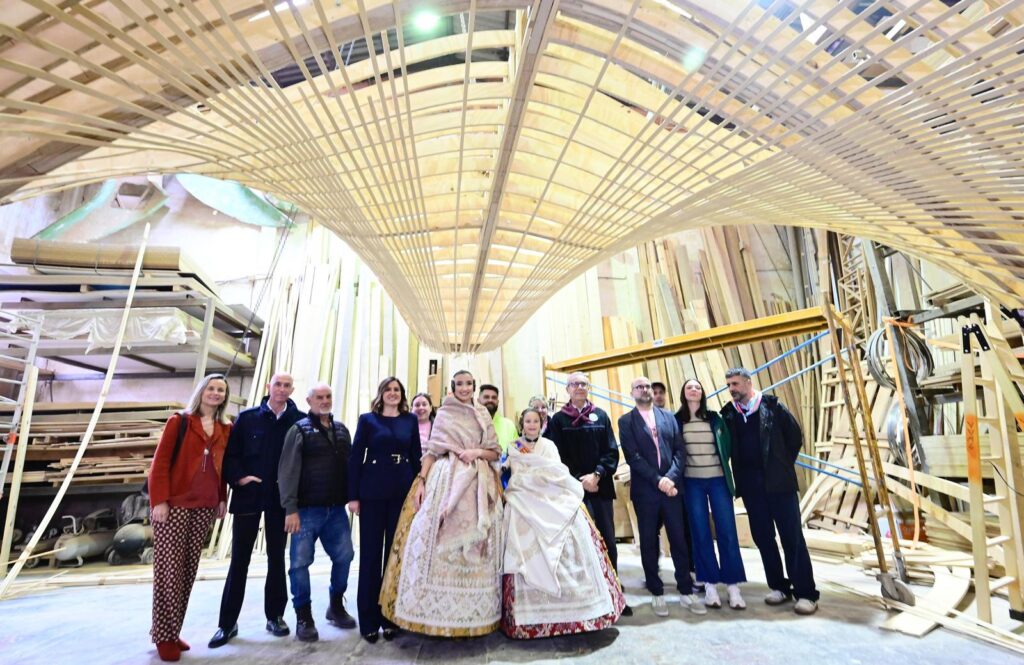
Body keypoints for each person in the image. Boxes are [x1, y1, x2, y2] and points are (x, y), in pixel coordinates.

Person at [380, 370, 503, 636]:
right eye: (459, 384)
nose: (464, 388)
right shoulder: (445, 413)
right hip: (444, 478)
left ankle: (473, 616)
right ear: (452, 387)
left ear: (474, 386)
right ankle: (431, 614)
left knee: (480, 545)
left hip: (478, 477)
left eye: (468, 384)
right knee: (430, 537)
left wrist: (475, 452)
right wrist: (422, 481)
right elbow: (433, 451)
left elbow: (495, 451)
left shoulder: (483, 412)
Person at [501, 408, 625, 638]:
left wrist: (540, 478)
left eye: (535, 421)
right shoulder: (513, 446)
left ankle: (580, 610)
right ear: (522, 424)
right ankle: (529, 615)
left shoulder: (549, 446)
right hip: (523, 498)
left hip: (549, 496)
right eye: (527, 421)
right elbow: (508, 466)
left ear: (541, 424)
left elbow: (557, 472)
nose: (531, 425)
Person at [208, 373, 304, 649]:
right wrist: (240, 478)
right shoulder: (247, 418)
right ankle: (227, 623)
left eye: (287, 385)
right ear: (268, 387)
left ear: (292, 389)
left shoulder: (298, 420)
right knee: (239, 561)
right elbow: (231, 456)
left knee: (277, 558)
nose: (282, 389)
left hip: (280, 500)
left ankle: (275, 616)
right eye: (278, 384)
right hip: (249, 497)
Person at [720, 368, 819, 615]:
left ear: (748, 382)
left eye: (735, 384)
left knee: (792, 538)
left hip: (780, 486)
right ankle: (779, 587)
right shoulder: (730, 414)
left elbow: (794, 437)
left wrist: (780, 465)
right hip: (752, 491)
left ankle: (806, 593)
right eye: (728, 385)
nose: (731, 389)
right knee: (764, 539)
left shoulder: (772, 407)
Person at [148, 374, 231, 662]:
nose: (216, 393)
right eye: (211, 388)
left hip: (205, 505)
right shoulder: (180, 422)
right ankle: (163, 636)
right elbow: (159, 463)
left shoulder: (225, 428)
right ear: (201, 391)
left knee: (187, 572)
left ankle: (172, 631)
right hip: (174, 505)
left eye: (221, 390)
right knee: (169, 573)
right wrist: (159, 500)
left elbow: (222, 467)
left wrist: (222, 497)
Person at [545, 372, 632, 616]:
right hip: (573, 492)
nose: (579, 387)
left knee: (607, 540)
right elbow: (556, 456)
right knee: (581, 543)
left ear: (588, 388)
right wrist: (578, 480)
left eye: (583, 384)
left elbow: (611, 451)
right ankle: (588, 596)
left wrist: (597, 474)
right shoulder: (559, 420)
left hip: (600, 488)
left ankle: (614, 592)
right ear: (567, 389)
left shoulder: (601, 416)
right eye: (574, 384)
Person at [618, 377, 704, 617]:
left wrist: (671, 478)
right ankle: (656, 592)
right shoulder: (626, 421)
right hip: (646, 492)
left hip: (672, 490)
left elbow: (680, 451)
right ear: (632, 392)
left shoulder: (669, 417)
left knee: (679, 539)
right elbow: (633, 457)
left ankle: (685, 590)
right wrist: (659, 480)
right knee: (648, 541)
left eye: (647, 387)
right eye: (639, 387)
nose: (644, 390)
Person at [278, 383, 356, 642]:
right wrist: (290, 508)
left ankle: (336, 605)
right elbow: (287, 471)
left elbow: (350, 467)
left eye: (328, 396)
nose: (324, 401)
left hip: (336, 510)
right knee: (300, 564)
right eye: (319, 397)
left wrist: (354, 497)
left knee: (345, 556)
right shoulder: (299, 430)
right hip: (305, 511)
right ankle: (304, 617)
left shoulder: (342, 430)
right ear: (309, 401)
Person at [348, 377, 422, 643]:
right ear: (381, 394)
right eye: (388, 389)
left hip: (402, 492)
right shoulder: (368, 420)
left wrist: (420, 488)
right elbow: (355, 457)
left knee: (395, 555)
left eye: (397, 390)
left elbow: (416, 457)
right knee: (370, 556)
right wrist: (353, 496)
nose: (393, 393)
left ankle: (390, 617)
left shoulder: (410, 420)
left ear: (402, 394)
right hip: (372, 492)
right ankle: (368, 620)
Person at [675, 378, 746, 610]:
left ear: (702, 393)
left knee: (727, 531)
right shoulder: (677, 421)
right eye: (689, 387)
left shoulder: (715, 418)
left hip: (718, 481)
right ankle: (710, 586)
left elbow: (726, 445)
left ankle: (733, 586)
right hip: (692, 483)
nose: (694, 390)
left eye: (697, 387)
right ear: (683, 393)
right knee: (700, 533)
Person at [478, 383, 517, 452]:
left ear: (498, 402)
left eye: (494, 398)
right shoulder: (470, 423)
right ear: (478, 401)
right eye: (486, 397)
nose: (490, 400)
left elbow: (517, 449)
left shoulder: (508, 425)